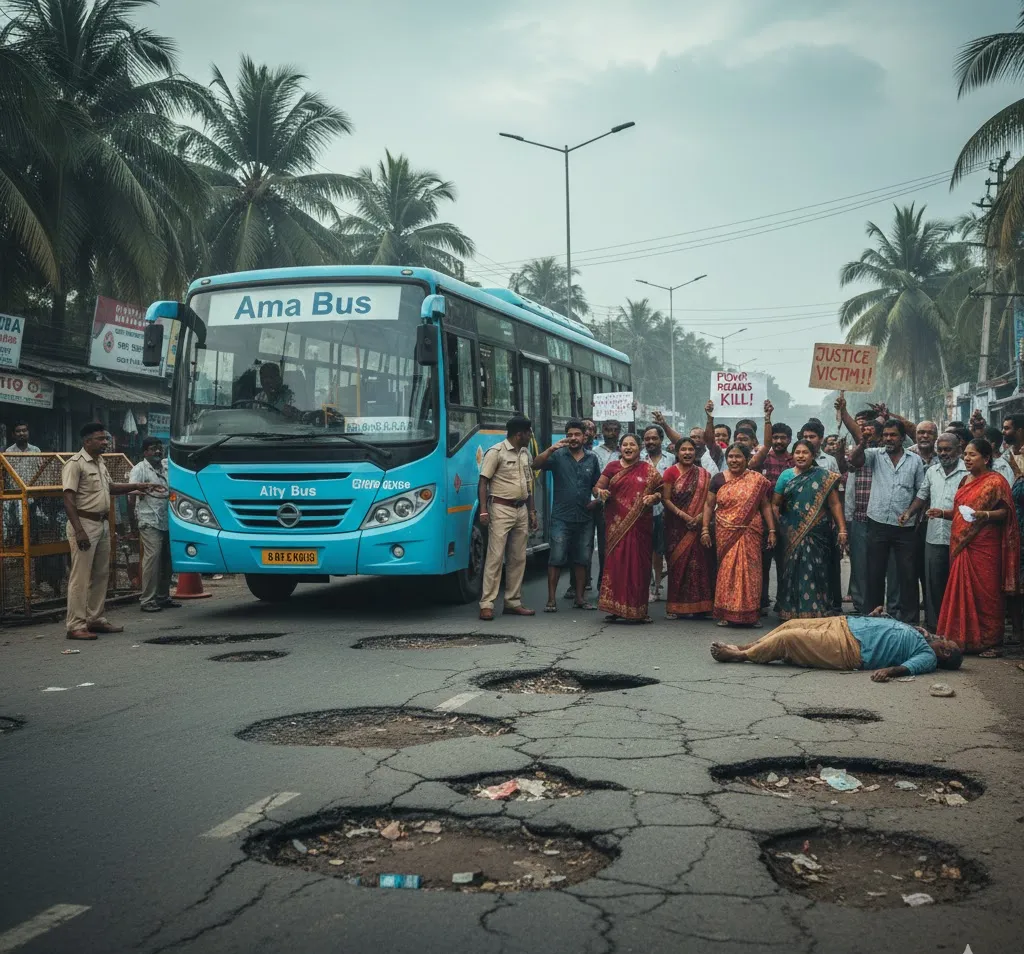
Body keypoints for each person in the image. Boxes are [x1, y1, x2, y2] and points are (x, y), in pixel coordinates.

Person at [63, 423, 163, 640]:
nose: (105, 443)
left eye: (105, 439)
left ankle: (95, 619)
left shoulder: (100, 463)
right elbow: (68, 500)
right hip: (84, 523)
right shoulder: (75, 464)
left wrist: (140, 487)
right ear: (87, 441)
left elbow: (110, 488)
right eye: (100, 439)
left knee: (101, 574)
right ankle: (75, 625)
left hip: (101, 523)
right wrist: (79, 530)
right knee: (80, 577)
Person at [935, 438, 1020, 656]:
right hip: (963, 546)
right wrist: (942, 513)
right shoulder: (964, 480)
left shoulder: (996, 481)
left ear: (986, 457)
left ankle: (992, 643)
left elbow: (1005, 513)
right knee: (962, 592)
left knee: (987, 595)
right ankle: (964, 639)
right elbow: (961, 513)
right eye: (965, 454)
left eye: (972, 455)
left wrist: (985, 515)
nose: (967, 458)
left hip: (985, 546)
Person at [709, 613, 963, 679]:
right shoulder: (924, 637)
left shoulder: (928, 657)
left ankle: (740, 656)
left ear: (947, 651)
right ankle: (745, 646)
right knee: (792, 624)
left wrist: (889, 671)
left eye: (946, 640)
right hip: (847, 624)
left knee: (790, 639)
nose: (942, 636)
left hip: (849, 647)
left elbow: (909, 667)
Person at [850, 417, 925, 623]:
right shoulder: (874, 455)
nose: (888, 439)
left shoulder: (915, 460)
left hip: (905, 526)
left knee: (907, 575)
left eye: (893, 435)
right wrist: (863, 442)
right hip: (877, 523)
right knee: (874, 573)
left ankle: (910, 621)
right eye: (885, 435)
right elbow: (855, 461)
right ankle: (872, 618)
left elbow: (921, 491)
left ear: (902, 438)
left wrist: (910, 512)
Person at [701, 443, 776, 627]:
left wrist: (772, 530)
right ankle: (726, 613)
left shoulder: (756, 480)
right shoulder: (718, 479)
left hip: (751, 531)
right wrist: (704, 530)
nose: (734, 460)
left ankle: (751, 615)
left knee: (751, 572)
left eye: (738, 456)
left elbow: (765, 506)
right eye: (731, 457)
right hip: (726, 531)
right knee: (727, 571)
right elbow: (709, 506)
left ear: (746, 459)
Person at [773, 439, 847, 619]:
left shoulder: (824, 477)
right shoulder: (786, 476)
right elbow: (775, 504)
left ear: (813, 455)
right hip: (791, 531)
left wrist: (842, 529)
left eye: (805, 452)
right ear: (792, 455)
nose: (800, 456)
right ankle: (790, 610)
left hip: (817, 533)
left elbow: (835, 504)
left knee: (817, 570)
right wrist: (778, 528)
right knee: (790, 570)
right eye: (797, 452)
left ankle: (816, 609)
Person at [593, 434, 662, 622]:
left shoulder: (648, 469)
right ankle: (614, 609)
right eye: (625, 444)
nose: (628, 448)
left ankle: (639, 610)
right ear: (620, 448)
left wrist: (654, 498)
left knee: (639, 566)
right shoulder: (612, 467)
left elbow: (662, 491)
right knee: (617, 565)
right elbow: (597, 488)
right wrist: (601, 492)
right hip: (616, 526)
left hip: (640, 526)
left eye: (632, 444)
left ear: (639, 448)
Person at [534, 420, 601, 612]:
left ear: (584, 437)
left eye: (576, 435)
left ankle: (580, 598)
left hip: (585, 516)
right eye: (569, 435)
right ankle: (551, 600)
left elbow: (597, 485)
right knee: (556, 557)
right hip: (561, 517)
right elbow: (535, 464)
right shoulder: (558, 456)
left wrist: (598, 498)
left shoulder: (592, 458)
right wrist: (550, 449)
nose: (573, 438)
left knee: (582, 559)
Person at [901, 434, 966, 631]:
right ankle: (935, 626)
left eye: (948, 449)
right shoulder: (932, 471)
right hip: (934, 536)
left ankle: (958, 627)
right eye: (941, 449)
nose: (944, 453)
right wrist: (909, 513)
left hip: (961, 537)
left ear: (958, 450)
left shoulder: (967, 472)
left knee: (958, 585)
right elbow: (922, 496)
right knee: (934, 584)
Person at [477, 415, 538, 621]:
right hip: (500, 508)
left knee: (518, 557)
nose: (531, 436)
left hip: (521, 509)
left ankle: (513, 602)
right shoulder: (496, 452)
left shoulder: (525, 453)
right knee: (495, 557)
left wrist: (532, 511)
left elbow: (529, 485)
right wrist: (484, 510)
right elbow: (483, 483)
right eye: (529, 432)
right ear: (519, 434)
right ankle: (487, 603)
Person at [661, 437, 713, 618]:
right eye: (683, 449)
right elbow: (665, 499)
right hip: (676, 526)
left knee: (699, 565)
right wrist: (684, 516)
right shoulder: (670, 473)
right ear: (677, 452)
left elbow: (709, 501)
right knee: (677, 564)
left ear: (695, 452)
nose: (687, 453)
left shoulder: (704, 474)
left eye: (690, 449)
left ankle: (700, 606)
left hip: (698, 525)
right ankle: (675, 606)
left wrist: (699, 517)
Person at [749, 401, 794, 612]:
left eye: (782, 438)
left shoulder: (796, 461)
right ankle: (761, 600)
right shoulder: (762, 460)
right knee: (763, 563)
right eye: (775, 437)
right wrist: (767, 418)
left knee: (785, 563)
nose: (778, 441)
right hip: (764, 520)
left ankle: (784, 601)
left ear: (789, 440)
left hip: (788, 519)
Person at [128, 438, 181, 613]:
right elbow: (130, 492)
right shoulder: (139, 469)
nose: (157, 452)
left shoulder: (166, 467)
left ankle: (163, 596)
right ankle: (147, 600)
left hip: (168, 519)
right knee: (153, 559)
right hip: (149, 520)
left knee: (168, 560)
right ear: (145, 453)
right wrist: (144, 489)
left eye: (159, 449)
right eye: (153, 449)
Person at [641, 424, 673, 602]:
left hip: (663, 511)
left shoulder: (671, 459)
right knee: (643, 551)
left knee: (658, 551)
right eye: (647, 439)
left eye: (654, 438)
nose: (650, 441)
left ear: (661, 440)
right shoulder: (638, 458)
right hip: (641, 512)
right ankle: (644, 586)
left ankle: (657, 586)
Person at [591, 419, 622, 590]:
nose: (611, 433)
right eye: (608, 430)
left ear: (619, 431)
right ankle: (603, 582)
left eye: (615, 430)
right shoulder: (595, 453)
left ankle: (620, 583)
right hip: (602, 505)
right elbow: (593, 481)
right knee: (605, 547)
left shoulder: (625, 451)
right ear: (603, 431)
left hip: (624, 506)